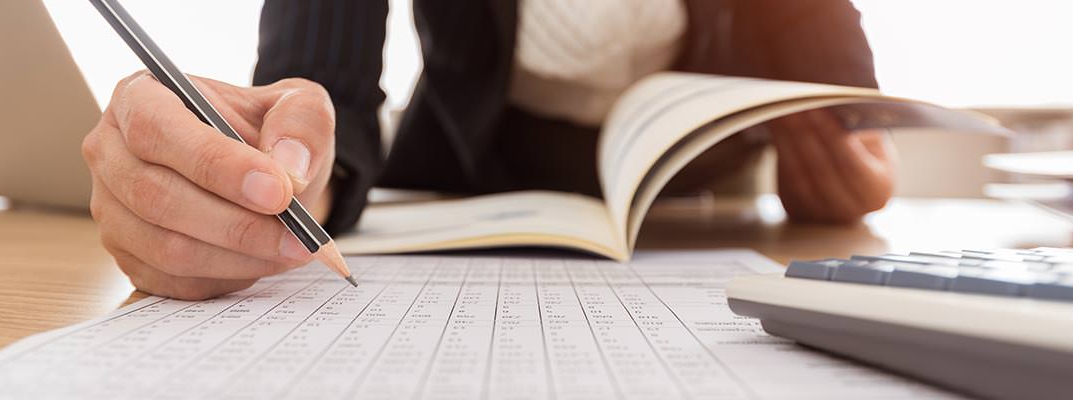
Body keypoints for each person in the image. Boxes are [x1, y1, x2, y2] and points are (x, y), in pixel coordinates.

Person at [81, 0, 895, 300]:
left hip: (692, 198)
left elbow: (849, 101)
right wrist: (282, 177)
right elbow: (318, 88)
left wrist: (855, 173)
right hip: (467, 183)